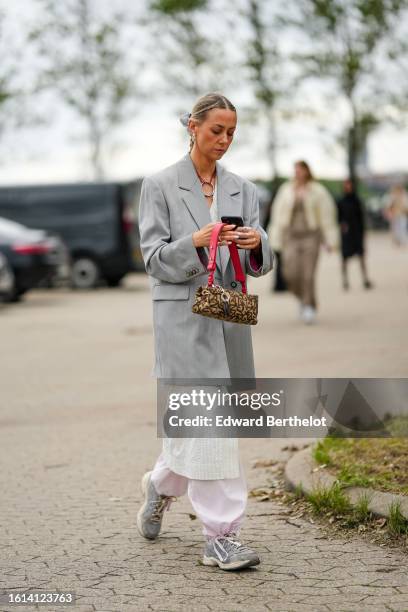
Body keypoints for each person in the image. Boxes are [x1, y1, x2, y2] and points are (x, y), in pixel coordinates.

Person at [136, 92, 273, 571]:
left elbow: (260, 263)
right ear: (192, 127)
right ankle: (221, 536)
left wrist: (257, 242)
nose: (225, 139)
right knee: (210, 428)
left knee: (201, 427)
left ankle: (160, 485)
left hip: (228, 319)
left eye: (232, 132)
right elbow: (153, 259)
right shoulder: (158, 185)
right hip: (182, 323)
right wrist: (195, 243)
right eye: (217, 130)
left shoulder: (244, 189)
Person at [269, 160, 339, 324]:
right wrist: (275, 238)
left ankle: (308, 306)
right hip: (290, 237)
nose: (297, 173)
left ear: (307, 171)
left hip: (311, 236)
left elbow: (327, 216)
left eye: (300, 170)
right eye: (295, 170)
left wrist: (330, 240)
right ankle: (303, 298)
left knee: (308, 274)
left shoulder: (318, 191)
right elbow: (277, 216)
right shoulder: (286, 190)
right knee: (289, 273)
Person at [336, 179, 373, 290]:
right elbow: (338, 217)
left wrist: (363, 232)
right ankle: (345, 281)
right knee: (344, 258)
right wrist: (341, 224)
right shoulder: (341, 201)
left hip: (356, 232)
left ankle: (365, 279)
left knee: (361, 257)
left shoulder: (357, 200)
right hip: (346, 233)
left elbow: (361, 218)